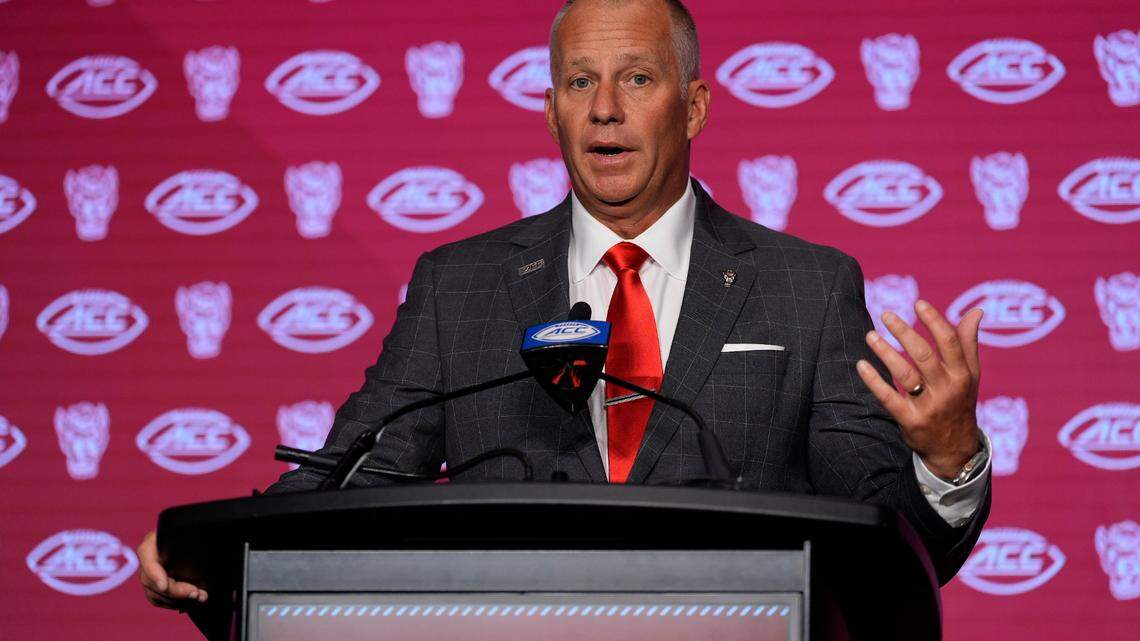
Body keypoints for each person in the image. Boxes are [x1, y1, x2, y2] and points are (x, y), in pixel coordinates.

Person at [139, 0, 991, 611]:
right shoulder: (459, 285)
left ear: (694, 106)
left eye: (637, 78)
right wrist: (216, 553)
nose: (605, 109)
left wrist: (947, 459)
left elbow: (885, 543)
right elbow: (355, 472)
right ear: (551, 112)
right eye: (580, 82)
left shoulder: (807, 286)